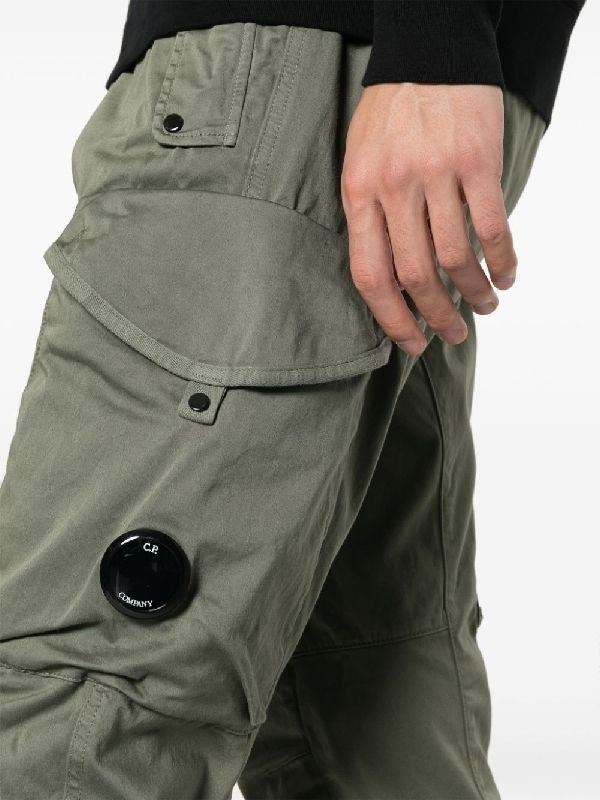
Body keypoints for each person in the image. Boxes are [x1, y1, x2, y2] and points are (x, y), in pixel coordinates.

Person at [0, 2, 585, 798]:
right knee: (369, 723)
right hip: (348, 92)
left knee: (81, 716)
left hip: (295, 96)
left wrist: (435, 39)